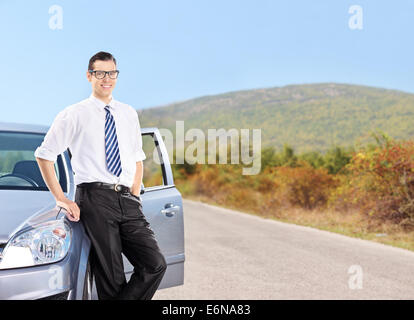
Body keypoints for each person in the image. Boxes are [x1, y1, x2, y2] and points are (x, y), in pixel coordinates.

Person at [34, 51, 167, 300]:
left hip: (128, 199)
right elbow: (44, 155)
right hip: (95, 199)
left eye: (112, 73)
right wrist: (61, 198)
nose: (107, 78)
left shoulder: (128, 113)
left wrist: (135, 195)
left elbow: (137, 159)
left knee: (155, 263)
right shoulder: (73, 114)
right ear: (89, 76)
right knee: (111, 278)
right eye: (100, 73)